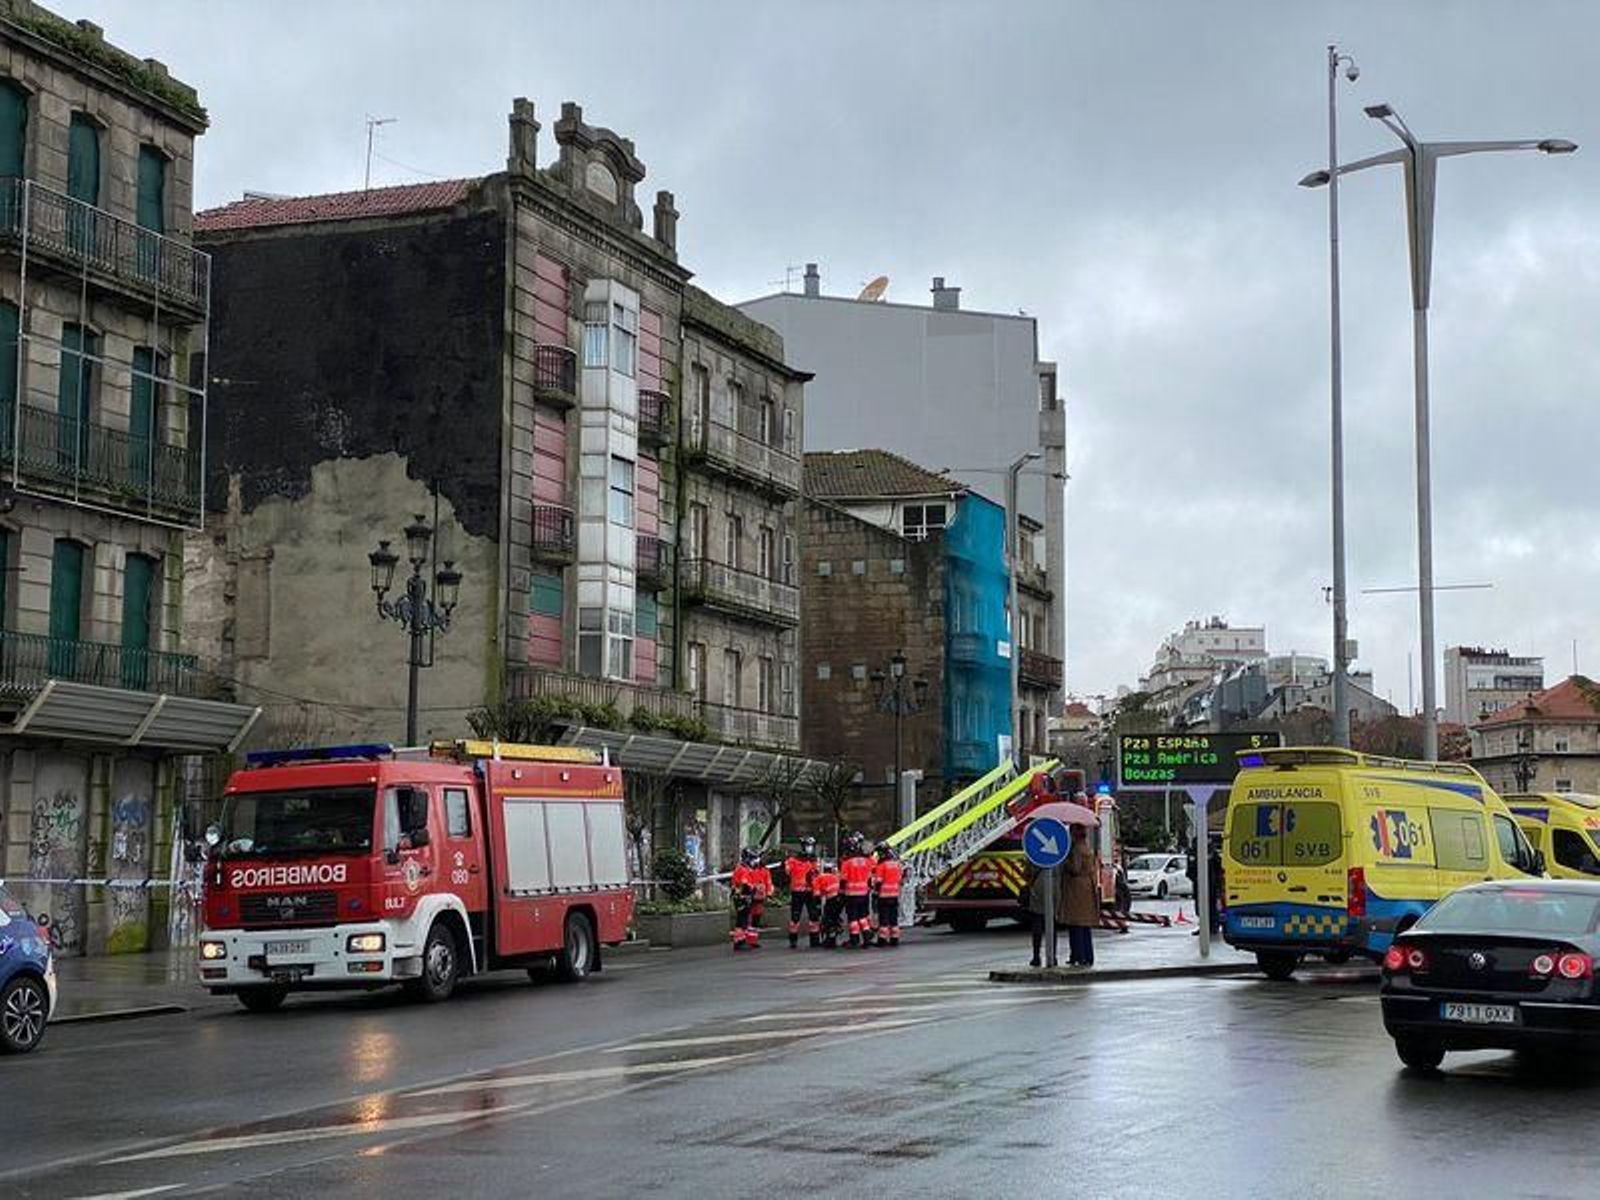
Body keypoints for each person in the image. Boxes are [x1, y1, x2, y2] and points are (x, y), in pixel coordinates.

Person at [1062, 822, 1099, 968]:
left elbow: (1075, 869)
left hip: (1076, 889)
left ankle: (1078, 956)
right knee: (1085, 926)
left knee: (1075, 924)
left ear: (1074, 833)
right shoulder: (1088, 848)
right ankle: (1088, 956)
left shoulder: (1076, 849)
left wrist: (1065, 862)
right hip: (1087, 887)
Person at [729, 847, 772, 952]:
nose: (756, 860)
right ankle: (739, 941)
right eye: (754, 858)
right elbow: (745, 883)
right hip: (742, 896)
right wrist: (755, 888)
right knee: (742, 918)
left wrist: (768, 892)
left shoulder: (762, 869)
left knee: (755, 918)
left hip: (756, 896)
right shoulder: (742, 869)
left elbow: (767, 882)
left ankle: (751, 940)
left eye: (757, 857)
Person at [838, 832, 876, 949]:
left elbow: (843, 880)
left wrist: (841, 892)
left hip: (851, 894)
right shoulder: (867, 861)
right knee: (862, 916)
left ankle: (854, 939)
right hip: (864, 893)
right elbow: (870, 877)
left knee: (852, 918)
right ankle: (866, 936)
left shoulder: (847, 862)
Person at [784, 836, 822, 948]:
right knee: (795, 917)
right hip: (797, 892)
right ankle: (793, 940)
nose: (810, 848)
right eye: (808, 846)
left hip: (811, 892)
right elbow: (787, 871)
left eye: (811, 846)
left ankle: (814, 940)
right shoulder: (793, 860)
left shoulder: (814, 860)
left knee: (814, 916)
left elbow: (818, 875)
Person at [1023, 862, 1056, 968]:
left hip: (1037, 890)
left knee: (1037, 922)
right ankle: (1053, 956)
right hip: (1054, 888)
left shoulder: (1034, 856)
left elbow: (1026, 874)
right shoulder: (1057, 856)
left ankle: (1036, 956)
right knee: (1051, 925)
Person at [871, 842, 905, 947]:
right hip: (895, 895)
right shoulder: (897, 865)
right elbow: (900, 880)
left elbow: (878, 882)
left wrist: (876, 893)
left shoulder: (881, 866)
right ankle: (895, 939)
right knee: (893, 918)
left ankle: (882, 940)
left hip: (884, 895)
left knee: (884, 918)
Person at [814, 860, 844, 948]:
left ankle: (830, 940)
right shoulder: (836, 876)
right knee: (835, 918)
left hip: (831, 900)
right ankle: (834, 936)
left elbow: (816, 894)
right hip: (840, 899)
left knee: (828, 920)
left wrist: (817, 906)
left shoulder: (819, 878)